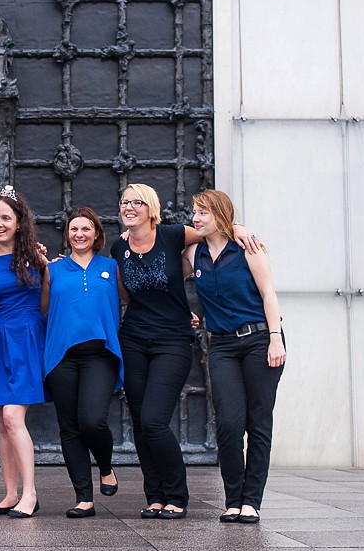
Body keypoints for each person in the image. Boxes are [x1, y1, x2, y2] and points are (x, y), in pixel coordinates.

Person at [111, 183, 257, 520]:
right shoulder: (119, 247)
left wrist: (240, 228)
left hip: (172, 340)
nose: (129, 207)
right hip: (133, 338)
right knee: (139, 422)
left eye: (136, 202)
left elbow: (213, 230)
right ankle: (155, 495)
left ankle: (177, 493)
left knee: (154, 420)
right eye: (124, 202)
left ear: (150, 208)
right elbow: (124, 294)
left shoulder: (174, 235)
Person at [186, 189, 285, 524]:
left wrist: (275, 339)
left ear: (220, 215)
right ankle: (233, 499)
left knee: (258, 422)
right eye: (194, 212)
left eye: (203, 213)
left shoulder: (248, 249)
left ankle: (251, 501)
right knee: (229, 424)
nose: (196, 218)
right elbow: (162, 244)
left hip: (260, 340)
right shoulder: (194, 252)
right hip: (222, 345)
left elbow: (268, 292)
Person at [42, 207, 122, 518]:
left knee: (92, 421)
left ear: (96, 234)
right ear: (67, 234)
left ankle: (105, 466)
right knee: (70, 428)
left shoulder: (111, 267)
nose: (79, 234)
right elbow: (43, 308)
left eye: (86, 229)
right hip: (62, 356)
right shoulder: (54, 270)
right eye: (74, 229)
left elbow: (136, 299)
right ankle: (83, 497)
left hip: (100, 354)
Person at [0, 185, 47, 519]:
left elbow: (52, 296)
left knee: (12, 416)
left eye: (5, 217)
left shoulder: (35, 256)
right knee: (1, 422)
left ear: (19, 221)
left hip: (27, 338)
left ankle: (30, 494)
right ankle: (10, 493)